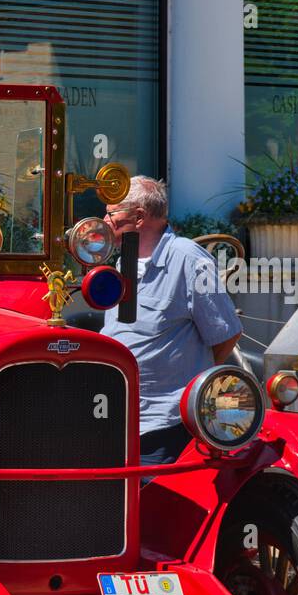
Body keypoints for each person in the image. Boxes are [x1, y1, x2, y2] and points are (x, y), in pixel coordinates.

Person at [100, 177, 243, 466]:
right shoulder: (121, 261)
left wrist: (183, 379)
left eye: (111, 213)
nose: (104, 221)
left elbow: (226, 334)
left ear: (139, 217)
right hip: (117, 418)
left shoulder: (190, 260)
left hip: (164, 426)